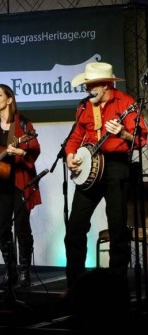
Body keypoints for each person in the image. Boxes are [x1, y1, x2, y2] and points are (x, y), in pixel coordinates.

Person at [64, 62, 147, 290]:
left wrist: (122, 133)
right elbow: (74, 137)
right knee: (75, 228)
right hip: (90, 167)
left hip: (116, 166)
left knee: (117, 229)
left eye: (90, 86)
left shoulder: (126, 103)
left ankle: (116, 285)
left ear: (106, 84)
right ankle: (75, 285)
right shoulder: (84, 107)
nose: (86, 90)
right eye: (85, 85)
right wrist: (70, 155)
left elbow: (141, 140)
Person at [0, 84, 41, 288]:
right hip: (0, 186)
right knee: (3, 227)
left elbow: (34, 148)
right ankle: (9, 271)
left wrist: (21, 153)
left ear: (9, 99)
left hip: (20, 182)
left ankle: (24, 273)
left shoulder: (23, 124)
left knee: (22, 227)